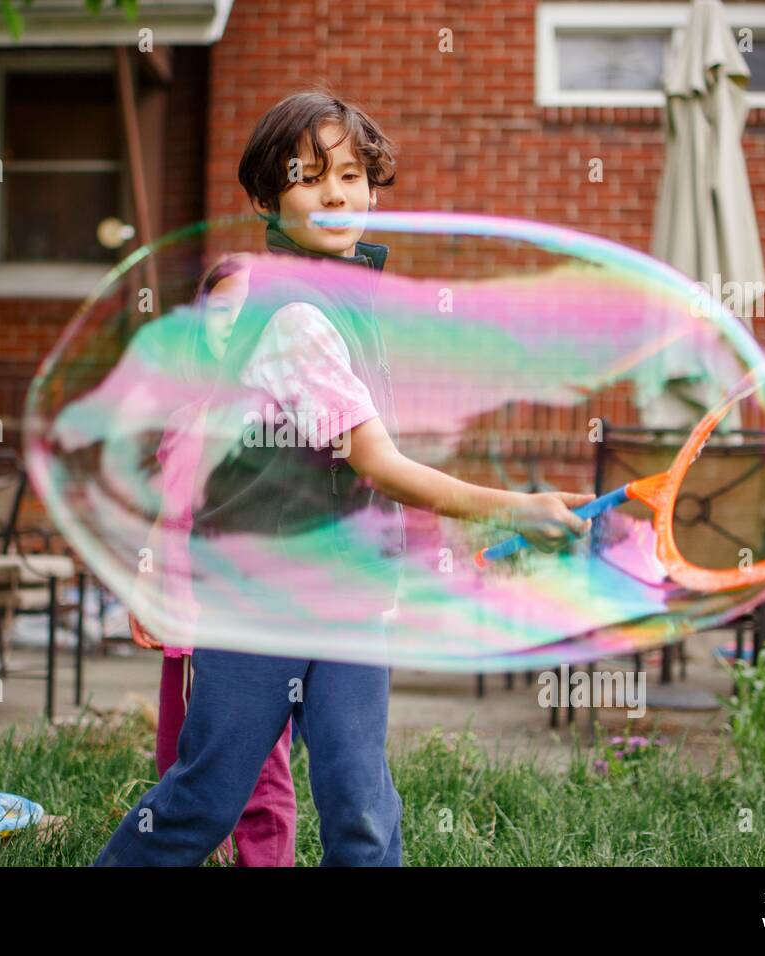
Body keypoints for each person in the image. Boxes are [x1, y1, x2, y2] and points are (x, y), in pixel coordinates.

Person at [95, 90, 593, 867]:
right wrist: (510, 509)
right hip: (258, 601)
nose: (336, 192)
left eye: (353, 174)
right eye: (307, 176)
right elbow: (376, 462)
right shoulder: (292, 312)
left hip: (350, 601)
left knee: (361, 804)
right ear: (268, 197)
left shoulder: (351, 296)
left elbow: (358, 475)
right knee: (205, 797)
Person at [128, 253, 298, 867]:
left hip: (241, 618)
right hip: (183, 612)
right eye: (219, 309)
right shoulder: (185, 419)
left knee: (254, 766)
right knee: (180, 754)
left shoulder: (280, 418)